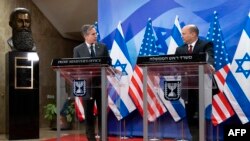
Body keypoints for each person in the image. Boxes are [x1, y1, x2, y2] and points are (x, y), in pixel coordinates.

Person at [175, 24, 214, 141]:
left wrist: (210, 65)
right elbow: (175, 66)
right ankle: (195, 138)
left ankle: (201, 138)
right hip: (187, 87)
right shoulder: (180, 49)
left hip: (202, 87)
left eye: (184, 33)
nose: (182, 36)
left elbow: (209, 57)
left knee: (200, 114)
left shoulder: (206, 44)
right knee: (191, 115)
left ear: (193, 34)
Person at [73, 24, 109, 141]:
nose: (96, 36)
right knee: (89, 114)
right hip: (87, 86)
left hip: (100, 84)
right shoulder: (78, 49)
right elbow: (76, 67)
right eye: (93, 34)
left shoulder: (102, 47)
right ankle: (91, 138)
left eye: (96, 33)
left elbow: (108, 63)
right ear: (86, 36)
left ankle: (104, 137)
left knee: (102, 112)